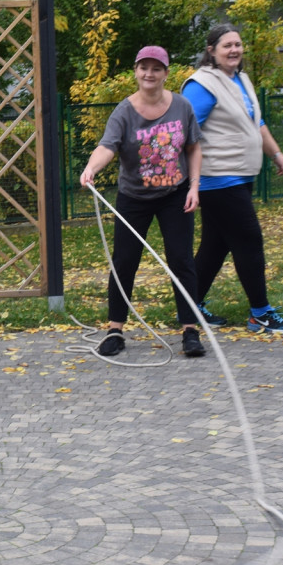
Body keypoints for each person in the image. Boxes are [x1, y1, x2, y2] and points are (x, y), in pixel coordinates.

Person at [80, 45, 205, 358]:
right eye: (143, 67)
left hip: (174, 194)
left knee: (181, 260)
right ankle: (115, 330)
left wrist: (194, 186)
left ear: (165, 73)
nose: (149, 74)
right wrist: (92, 168)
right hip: (133, 196)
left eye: (156, 68)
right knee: (124, 262)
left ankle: (190, 330)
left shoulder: (182, 106)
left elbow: (193, 148)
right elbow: (107, 147)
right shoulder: (124, 111)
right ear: (136, 71)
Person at [181, 23, 283, 334]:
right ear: (211, 51)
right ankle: (260, 312)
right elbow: (184, 133)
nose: (234, 50)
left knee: (215, 246)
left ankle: (189, 306)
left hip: (240, 175)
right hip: (216, 178)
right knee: (249, 239)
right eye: (226, 45)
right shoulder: (202, 85)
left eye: (238, 44)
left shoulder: (240, 79)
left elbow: (255, 122)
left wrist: (276, 154)